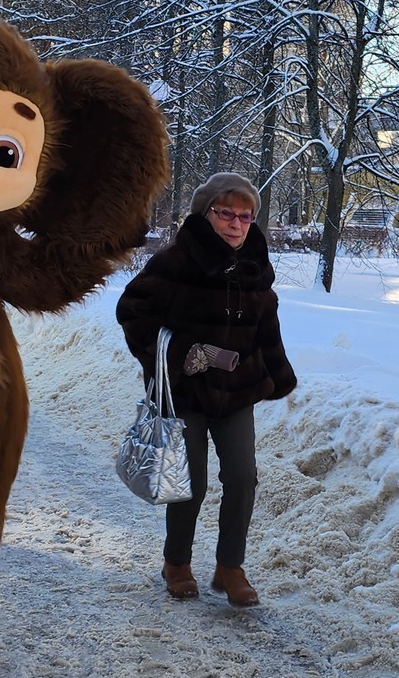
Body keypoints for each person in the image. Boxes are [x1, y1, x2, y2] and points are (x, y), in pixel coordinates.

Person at [116, 172, 297, 607]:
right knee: (191, 481)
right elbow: (131, 312)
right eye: (226, 214)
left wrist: (277, 373)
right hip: (185, 392)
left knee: (242, 477)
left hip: (237, 390)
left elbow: (265, 323)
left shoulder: (255, 262)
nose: (237, 224)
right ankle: (176, 562)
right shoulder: (176, 261)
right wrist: (183, 352)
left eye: (246, 216)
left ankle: (230, 566)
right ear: (206, 213)